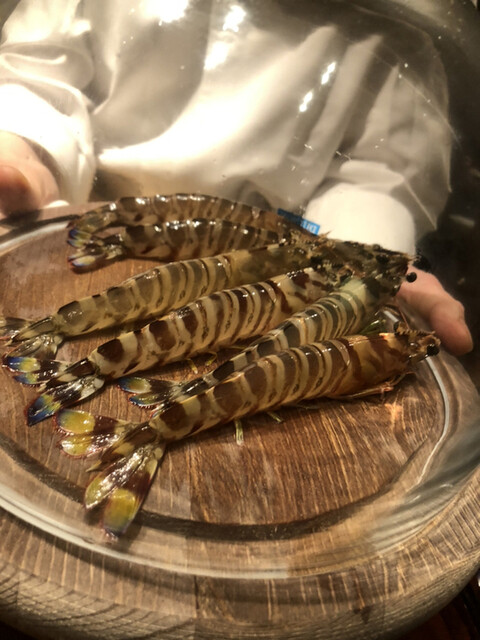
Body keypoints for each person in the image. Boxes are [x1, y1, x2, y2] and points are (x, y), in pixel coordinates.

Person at [0, 0, 473, 355]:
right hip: (86, 227)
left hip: (274, 273)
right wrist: (24, 150)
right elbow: (39, 76)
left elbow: (375, 178)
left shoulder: (397, 36)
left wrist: (362, 260)